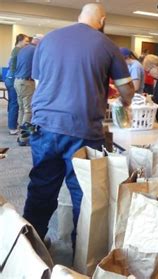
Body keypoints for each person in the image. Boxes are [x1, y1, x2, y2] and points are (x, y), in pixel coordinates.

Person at [23, 3, 134, 242]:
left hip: (44, 126)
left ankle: (31, 246)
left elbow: (40, 85)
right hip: (83, 129)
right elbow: (126, 88)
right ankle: (81, 255)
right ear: (102, 20)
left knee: (41, 186)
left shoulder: (48, 40)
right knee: (83, 194)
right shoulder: (107, 45)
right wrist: (125, 103)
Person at [14, 34, 43, 131]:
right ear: (38, 41)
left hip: (18, 81)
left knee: (22, 108)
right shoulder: (35, 50)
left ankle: (19, 132)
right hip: (26, 82)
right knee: (28, 110)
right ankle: (23, 137)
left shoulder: (24, 49)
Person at [5, 33, 30, 135]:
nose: (28, 44)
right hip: (13, 79)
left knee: (13, 103)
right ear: (20, 41)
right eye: (26, 41)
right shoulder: (19, 51)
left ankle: (13, 124)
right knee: (15, 104)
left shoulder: (16, 50)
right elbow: (14, 67)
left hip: (9, 78)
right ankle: (12, 128)